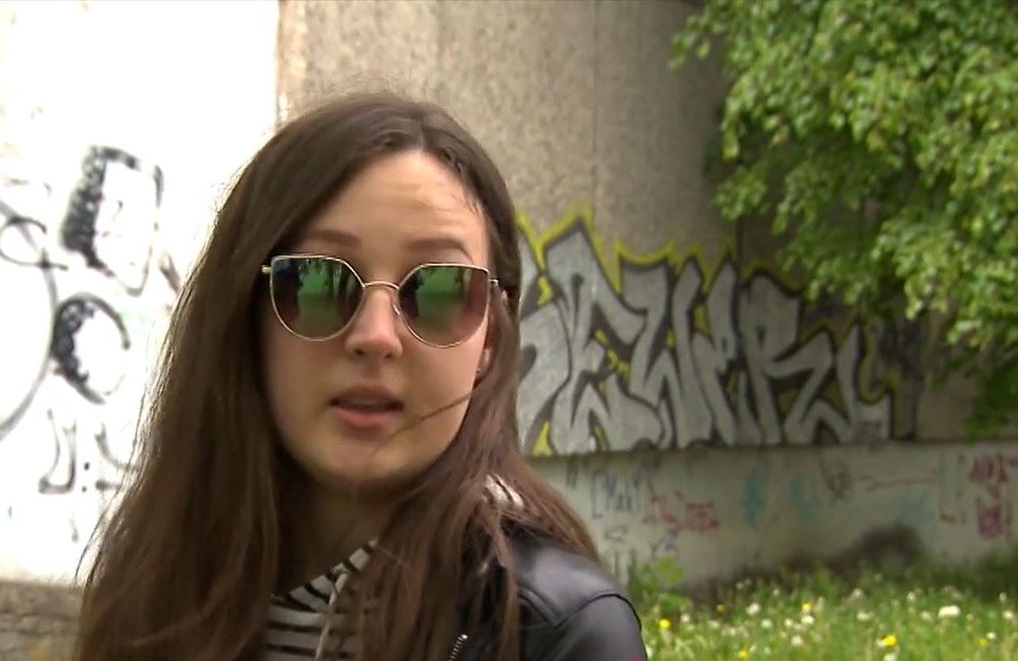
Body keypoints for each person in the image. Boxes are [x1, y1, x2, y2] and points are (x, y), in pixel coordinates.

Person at [73, 91, 649, 661]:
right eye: (318, 283)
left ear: (489, 342)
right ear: (246, 318)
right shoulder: (153, 590)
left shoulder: (560, 634)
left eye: (439, 289)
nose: (375, 336)